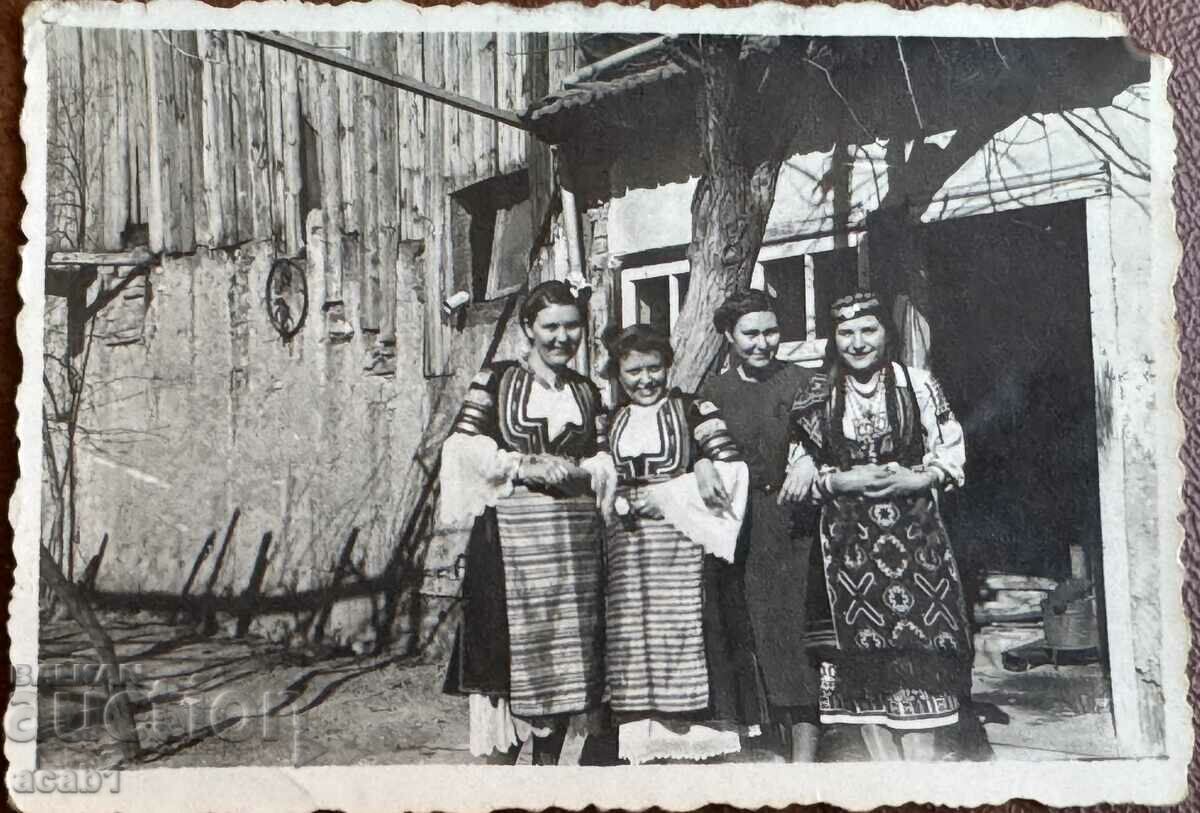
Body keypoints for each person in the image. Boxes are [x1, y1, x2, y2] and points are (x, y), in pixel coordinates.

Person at [783, 291, 972, 761]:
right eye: (846, 332)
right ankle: (885, 775)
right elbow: (799, 467)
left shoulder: (919, 384)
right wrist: (838, 479)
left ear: (886, 333)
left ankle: (919, 779)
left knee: (918, 655)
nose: (857, 342)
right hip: (845, 549)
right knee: (858, 664)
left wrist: (921, 476)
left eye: (868, 330)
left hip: (914, 540)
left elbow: (951, 449)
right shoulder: (817, 394)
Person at [439, 280, 615, 765]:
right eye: (551, 326)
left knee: (561, 668)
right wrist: (523, 465)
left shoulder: (588, 392)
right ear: (528, 328)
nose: (562, 337)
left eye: (572, 325)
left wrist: (579, 470)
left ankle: (545, 779)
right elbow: (460, 447)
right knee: (507, 673)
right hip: (507, 549)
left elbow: (604, 459)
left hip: (573, 554)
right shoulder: (495, 380)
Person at [600, 324, 755, 764]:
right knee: (632, 638)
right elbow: (597, 475)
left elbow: (732, 468)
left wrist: (700, 466)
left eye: (654, 369)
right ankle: (640, 745)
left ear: (669, 367)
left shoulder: (693, 409)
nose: (645, 380)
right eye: (634, 372)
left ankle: (688, 743)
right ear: (619, 374)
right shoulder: (611, 420)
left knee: (689, 634)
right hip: (627, 551)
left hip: (682, 548)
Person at [698, 289, 822, 762]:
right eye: (750, 333)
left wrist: (810, 458)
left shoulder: (805, 382)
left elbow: (829, 435)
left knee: (789, 635)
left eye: (771, 331)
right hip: (729, 526)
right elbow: (693, 446)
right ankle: (755, 753)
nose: (763, 342)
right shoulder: (712, 392)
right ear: (729, 336)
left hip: (786, 526)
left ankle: (805, 764)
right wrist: (699, 467)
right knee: (737, 632)